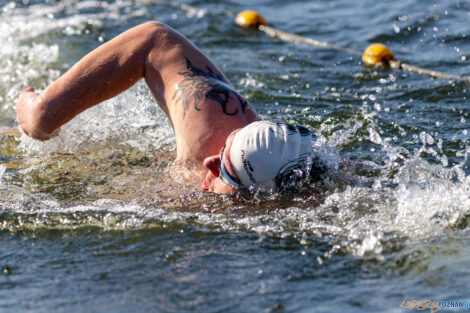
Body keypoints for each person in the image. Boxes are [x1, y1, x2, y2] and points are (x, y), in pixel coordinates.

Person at [17, 21, 329, 194]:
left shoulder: (313, 189)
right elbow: (154, 39)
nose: (210, 163)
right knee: (41, 120)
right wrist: (44, 112)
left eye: (227, 173)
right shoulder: (209, 122)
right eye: (222, 155)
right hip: (195, 98)